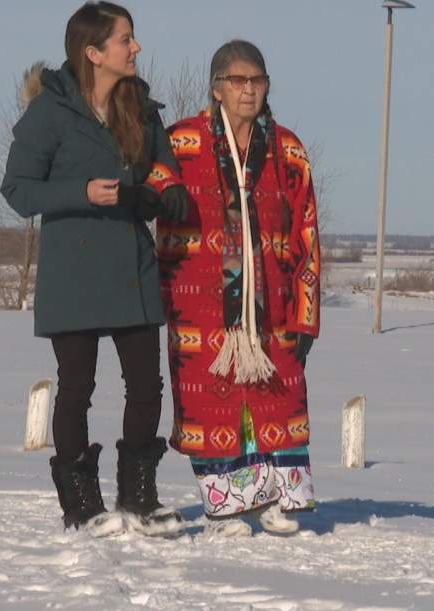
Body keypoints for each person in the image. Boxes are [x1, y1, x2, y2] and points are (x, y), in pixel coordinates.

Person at [1, 1, 190, 537]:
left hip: (131, 263)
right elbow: (17, 190)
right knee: (77, 386)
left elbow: (164, 169)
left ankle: (139, 499)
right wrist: (79, 192)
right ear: (93, 52)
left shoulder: (141, 107)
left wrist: (164, 192)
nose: (136, 48)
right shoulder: (50, 112)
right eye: (125, 39)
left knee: (148, 386)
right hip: (73, 269)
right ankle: (81, 504)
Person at [158, 39, 320, 537]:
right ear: (217, 87)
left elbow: (307, 228)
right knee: (212, 400)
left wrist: (306, 309)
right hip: (199, 301)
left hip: (273, 300)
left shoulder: (286, 147)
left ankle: (277, 502)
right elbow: (151, 199)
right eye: (239, 81)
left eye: (258, 81)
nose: (249, 90)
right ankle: (226, 505)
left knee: (277, 396)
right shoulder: (180, 142)